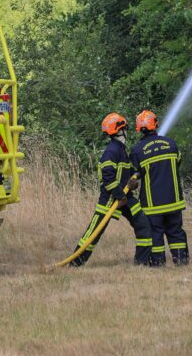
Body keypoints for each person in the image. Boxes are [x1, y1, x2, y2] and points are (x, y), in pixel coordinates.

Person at [69, 112, 153, 267]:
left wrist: (135, 177)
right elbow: (107, 178)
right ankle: (75, 262)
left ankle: (142, 262)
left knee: (143, 224)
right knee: (94, 232)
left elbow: (128, 172)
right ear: (119, 130)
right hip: (111, 199)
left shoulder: (121, 150)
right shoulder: (112, 151)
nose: (127, 131)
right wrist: (120, 196)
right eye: (125, 128)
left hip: (126, 198)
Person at [130, 110, 188, 266]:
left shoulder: (137, 150)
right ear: (155, 124)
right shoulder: (171, 143)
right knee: (175, 231)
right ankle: (181, 260)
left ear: (139, 128)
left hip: (153, 204)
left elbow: (135, 175)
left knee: (155, 234)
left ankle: (158, 263)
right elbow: (178, 162)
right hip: (173, 199)